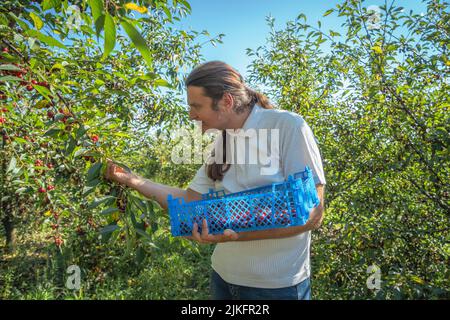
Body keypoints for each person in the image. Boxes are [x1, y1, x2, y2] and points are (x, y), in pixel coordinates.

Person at [104, 61, 326, 300]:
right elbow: (189, 200)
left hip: (276, 288)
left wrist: (236, 235)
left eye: (196, 106)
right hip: (224, 278)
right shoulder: (222, 143)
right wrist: (131, 179)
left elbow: (313, 214)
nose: (191, 115)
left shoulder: (287, 127)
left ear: (226, 101)